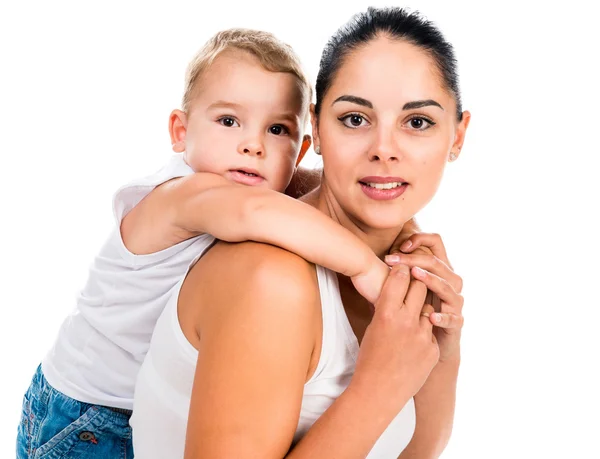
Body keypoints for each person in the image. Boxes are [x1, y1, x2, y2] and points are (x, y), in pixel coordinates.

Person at [16, 28, 420, 458]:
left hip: (146, 410)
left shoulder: (257, 189)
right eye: (229, 121)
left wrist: (402, 224)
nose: (253, 145)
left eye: (277, 129)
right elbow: (252, 212)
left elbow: (313, 190)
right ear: (180, 130)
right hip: (87, 413)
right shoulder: (179, 195)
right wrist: (366, 267)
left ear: (301, 150)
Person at [131, 6, 471, 459]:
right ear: (315, 126)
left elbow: (412, 452)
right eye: (355, 119)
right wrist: (377, 389)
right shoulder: (270, 278)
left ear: (458, 137)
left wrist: (441, 351)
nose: (384, 150)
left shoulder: (406, 265)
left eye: (418, 122)